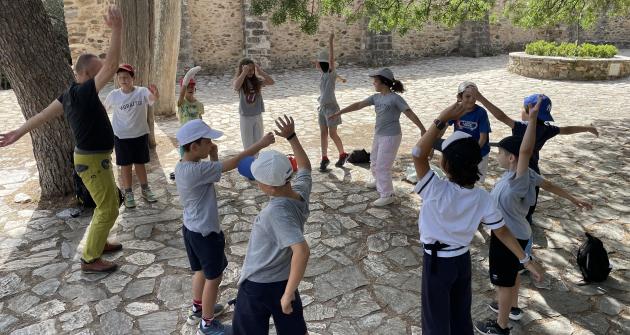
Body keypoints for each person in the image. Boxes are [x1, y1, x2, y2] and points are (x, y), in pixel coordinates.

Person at [0, 6, 124, 273]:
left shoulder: (69, 94)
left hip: (93, 159)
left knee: (109, 204)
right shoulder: (82, 93)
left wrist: (18, 132)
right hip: (92, 161)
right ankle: (90, 259)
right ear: (87, 75)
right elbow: (113, 65)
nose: (105, 77)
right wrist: (117, 28)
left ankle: (99, 242)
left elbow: (43, 115)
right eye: (99, 73)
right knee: (107, 208)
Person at [412, 102, 544, 335]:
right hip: (461, 262)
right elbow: (502, 231)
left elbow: (418, 153)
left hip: (437, 263)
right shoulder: (482, 197)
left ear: (446, 163)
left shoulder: (434, 189)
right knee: (460, 314)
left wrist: (442, 119)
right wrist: (525, 259)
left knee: (435, 321)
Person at [474, 96, 592, 335]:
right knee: (513, 275)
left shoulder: (518, 178)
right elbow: (547, 184)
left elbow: (526, 150)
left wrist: (534, 117)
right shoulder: (523, 173)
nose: (497, 155)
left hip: (508, 237)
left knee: (503, 282)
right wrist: (573, 198)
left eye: (500, 152)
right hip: (518, 234)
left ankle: (501, 326)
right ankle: (512, 308)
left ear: (511, 158)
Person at [175, 119, 275, 335]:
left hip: (191, 229)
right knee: (214, 277)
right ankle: (207, 323)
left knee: (200, 271)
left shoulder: (184, 166)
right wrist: (260, 144)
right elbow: (233, 163)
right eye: (208, 141)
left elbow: (214, 173)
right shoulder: (197, 171)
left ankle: (198, 309)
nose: (211, 144)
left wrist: (212, 154)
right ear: (194, 147)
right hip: (206, 233)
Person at [232, 115, 310, 335]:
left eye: (257, 180)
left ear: (269, 188)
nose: (256, 183)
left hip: (260, 283)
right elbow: (305, 167)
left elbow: (301, 251)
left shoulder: (276, 212)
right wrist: (292, 138)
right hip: (283, 277)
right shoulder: (299, 191)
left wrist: (287, 294)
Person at [474, 89, 599, 224]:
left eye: (523, 108)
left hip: (518, 168)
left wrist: (481, 98)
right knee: (528, 202)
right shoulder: (547, 129)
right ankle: (526, 218)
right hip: (533, 170)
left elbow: (501, 116)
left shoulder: (521, 127)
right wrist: (587, 128)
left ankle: (508, 219)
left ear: (530, 110)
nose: (521, 111)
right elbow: (567, 129)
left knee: (512, 198)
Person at [329, 68, 426, 206]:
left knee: (382, 167)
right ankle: (379, 180)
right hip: (379, 134)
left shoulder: (395, 99)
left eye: (375, 81)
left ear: (384, 82)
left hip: (391, 136)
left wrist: (422, 129)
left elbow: (409, 113)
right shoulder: (376, 97)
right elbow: (358, 105)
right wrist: (340, 112)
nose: (373, 83)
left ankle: (388, 194)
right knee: (374, 161)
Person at [104, 64, 159, 208]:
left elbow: (152, 100)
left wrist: (155, 94)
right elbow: (103, 109)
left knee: (140, 164)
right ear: (117, 79)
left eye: (126, 77)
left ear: (133, 78)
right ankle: (128, 193)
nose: (123, 79)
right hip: (121, 136)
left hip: (140, 134)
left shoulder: (142, 92)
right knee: (125, 165)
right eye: (120, 77)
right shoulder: (114, 95)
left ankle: (145, 189)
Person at [442, 81, 492, 183]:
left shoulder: (481, 113)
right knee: (457, 179)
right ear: (460, 97)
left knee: (476, 182)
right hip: (460, 153)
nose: (471, 100)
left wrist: (473, 154)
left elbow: (483, 138)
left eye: (474, 97)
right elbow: (444, 126)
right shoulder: (456, 110)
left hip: (479, 153)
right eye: (467, 96)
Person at [315, 32, 348, 172]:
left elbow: (332, 60)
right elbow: (336, 76)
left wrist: (330, 42)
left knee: (332, 134)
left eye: (317, 61)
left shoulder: (330, 72)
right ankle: (324, 158)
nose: (315, 63)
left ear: (323, 63)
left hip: (332, 109)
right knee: (323, 133)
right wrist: (341, 79)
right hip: (322, 108)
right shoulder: (324, 75)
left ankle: (342, 154)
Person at [232, 58, 274, 149]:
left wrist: (260, 71)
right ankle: (250, 161)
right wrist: (244, 73)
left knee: (258, 142)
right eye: (248, 70)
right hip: (246, 117)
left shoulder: (257, 81)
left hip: (257, 115)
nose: (250, 72)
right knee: (247, 143)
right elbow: (236, 87)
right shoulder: (241, 81)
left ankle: (257, 160)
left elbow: (271, 82)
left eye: (252, 69)